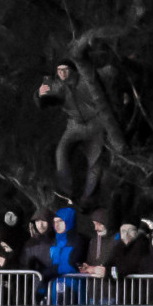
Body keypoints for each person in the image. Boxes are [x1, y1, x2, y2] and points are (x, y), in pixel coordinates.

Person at [37, 61, 110, 206]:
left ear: (73, 70)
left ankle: (87, 197)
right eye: (59, 70)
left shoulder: (85, 78)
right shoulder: (60, 86)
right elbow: (45, 99)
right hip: (75, 125)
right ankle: (66, 190)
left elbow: (107, 71)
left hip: (95, 123)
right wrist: (39, 95)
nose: (62, 73)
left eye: (65, 69)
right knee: (61, 151)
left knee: (94, 160)